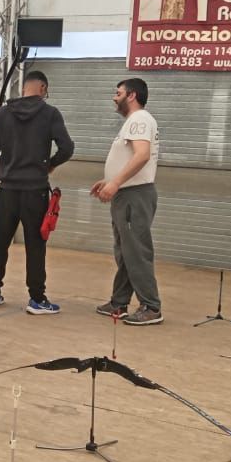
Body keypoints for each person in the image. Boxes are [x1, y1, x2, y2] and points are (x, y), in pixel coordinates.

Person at [0, 70, 74, 315]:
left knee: (0, 241)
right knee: (36, 244)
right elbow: (67, 147)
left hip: (7, 190)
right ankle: (36, 299)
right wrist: (50, 164)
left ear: (24, 88)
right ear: (43, 88)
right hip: (35, 190)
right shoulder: (50, 113)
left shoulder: (2, 113)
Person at [91, 77, 162, 325]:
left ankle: (151, 307)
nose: (114, 96)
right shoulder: (134, 121)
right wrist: (108, 179)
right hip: (128, 194)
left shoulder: (139, 119)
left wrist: (116, 182)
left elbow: (142, 156)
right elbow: (132, 158)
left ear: (131, 95)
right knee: (125, 251)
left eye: (118, 92)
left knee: (136, 251)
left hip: (134, 196)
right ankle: (119, 301)